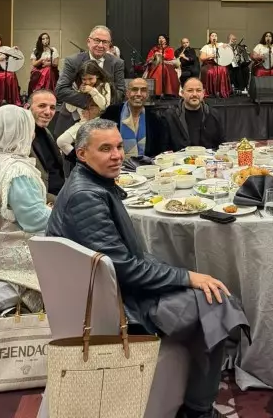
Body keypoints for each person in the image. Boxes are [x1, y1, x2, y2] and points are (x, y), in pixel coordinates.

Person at [47, 119, 246, 418]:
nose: (117, 155)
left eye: (118, 146)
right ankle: (198, 410)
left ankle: (196, 397)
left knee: (211, 295)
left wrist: (181, 276)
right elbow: (125, 269)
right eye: (105, 149)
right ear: (82, 154)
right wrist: (186, 277)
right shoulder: (85, 197)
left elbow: (121, 260)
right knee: (217, 304)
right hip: (119, 306)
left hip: (111, 290)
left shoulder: (90, 184)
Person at [0, 106, 50, 311]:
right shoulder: (18, 171)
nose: (32, 134)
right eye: (29, 128)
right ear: (22, 132)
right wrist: (63, 211)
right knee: (75, 258)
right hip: (6, 257)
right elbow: (34, 221)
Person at [56, 25, 125, 127]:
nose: (100, 45)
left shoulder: (117, 63)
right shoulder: (73, 61)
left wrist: (100, 109)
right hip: (73, 119)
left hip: (106, 120)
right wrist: (91, 105)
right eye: (97, 40)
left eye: (105, 42)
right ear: (88, 41)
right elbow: (61, 90)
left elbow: (120, 93)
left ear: (109, 45)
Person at [102, 77, 168, 159]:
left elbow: (160, 151)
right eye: (134, 90)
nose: (139, 94)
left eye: (143, 90)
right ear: (127, 93)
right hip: (115, 162)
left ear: (147, 95)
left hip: (146, 164)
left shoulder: (155, 119)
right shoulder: (112, 112)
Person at [57, 61, 112, 156]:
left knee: (93, 146)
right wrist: (77, 94)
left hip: (99, 123)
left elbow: (105, 106)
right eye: (84, 79)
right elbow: (70, 109)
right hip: (83, 123)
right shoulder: (80, 87)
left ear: (97, 75)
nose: (88, 82)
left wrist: (92, 91)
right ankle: (79, 160)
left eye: (90, 78)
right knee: (61, 141)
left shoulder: (104, 85)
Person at [164, 78, 225, 152]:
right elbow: (164, 150)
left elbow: (222, 146)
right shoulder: (170, 116)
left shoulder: (214, 114)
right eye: (190, 90)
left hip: (208, 158)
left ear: (203, 93)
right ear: (182, 93)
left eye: (198, 90)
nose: (194, 94)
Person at [27, 89, 65, 198]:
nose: (48, 112)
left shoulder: (46, 131)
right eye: (42, 106)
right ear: (27, 107)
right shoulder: (21, 137)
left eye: (52, 107)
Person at [199, 32, 231, 98]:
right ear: (209, 38)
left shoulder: (220, 44)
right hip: (209, 63)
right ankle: (210, 91)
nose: (214, 37)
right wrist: (209, 56)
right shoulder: (206, 47)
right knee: (210, 72)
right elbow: (201, 58)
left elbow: (228, 48)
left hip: (219, 63)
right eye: (212, 36)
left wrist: (227, 45)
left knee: (224, 70)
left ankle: (221, 90)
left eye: (215, 36)